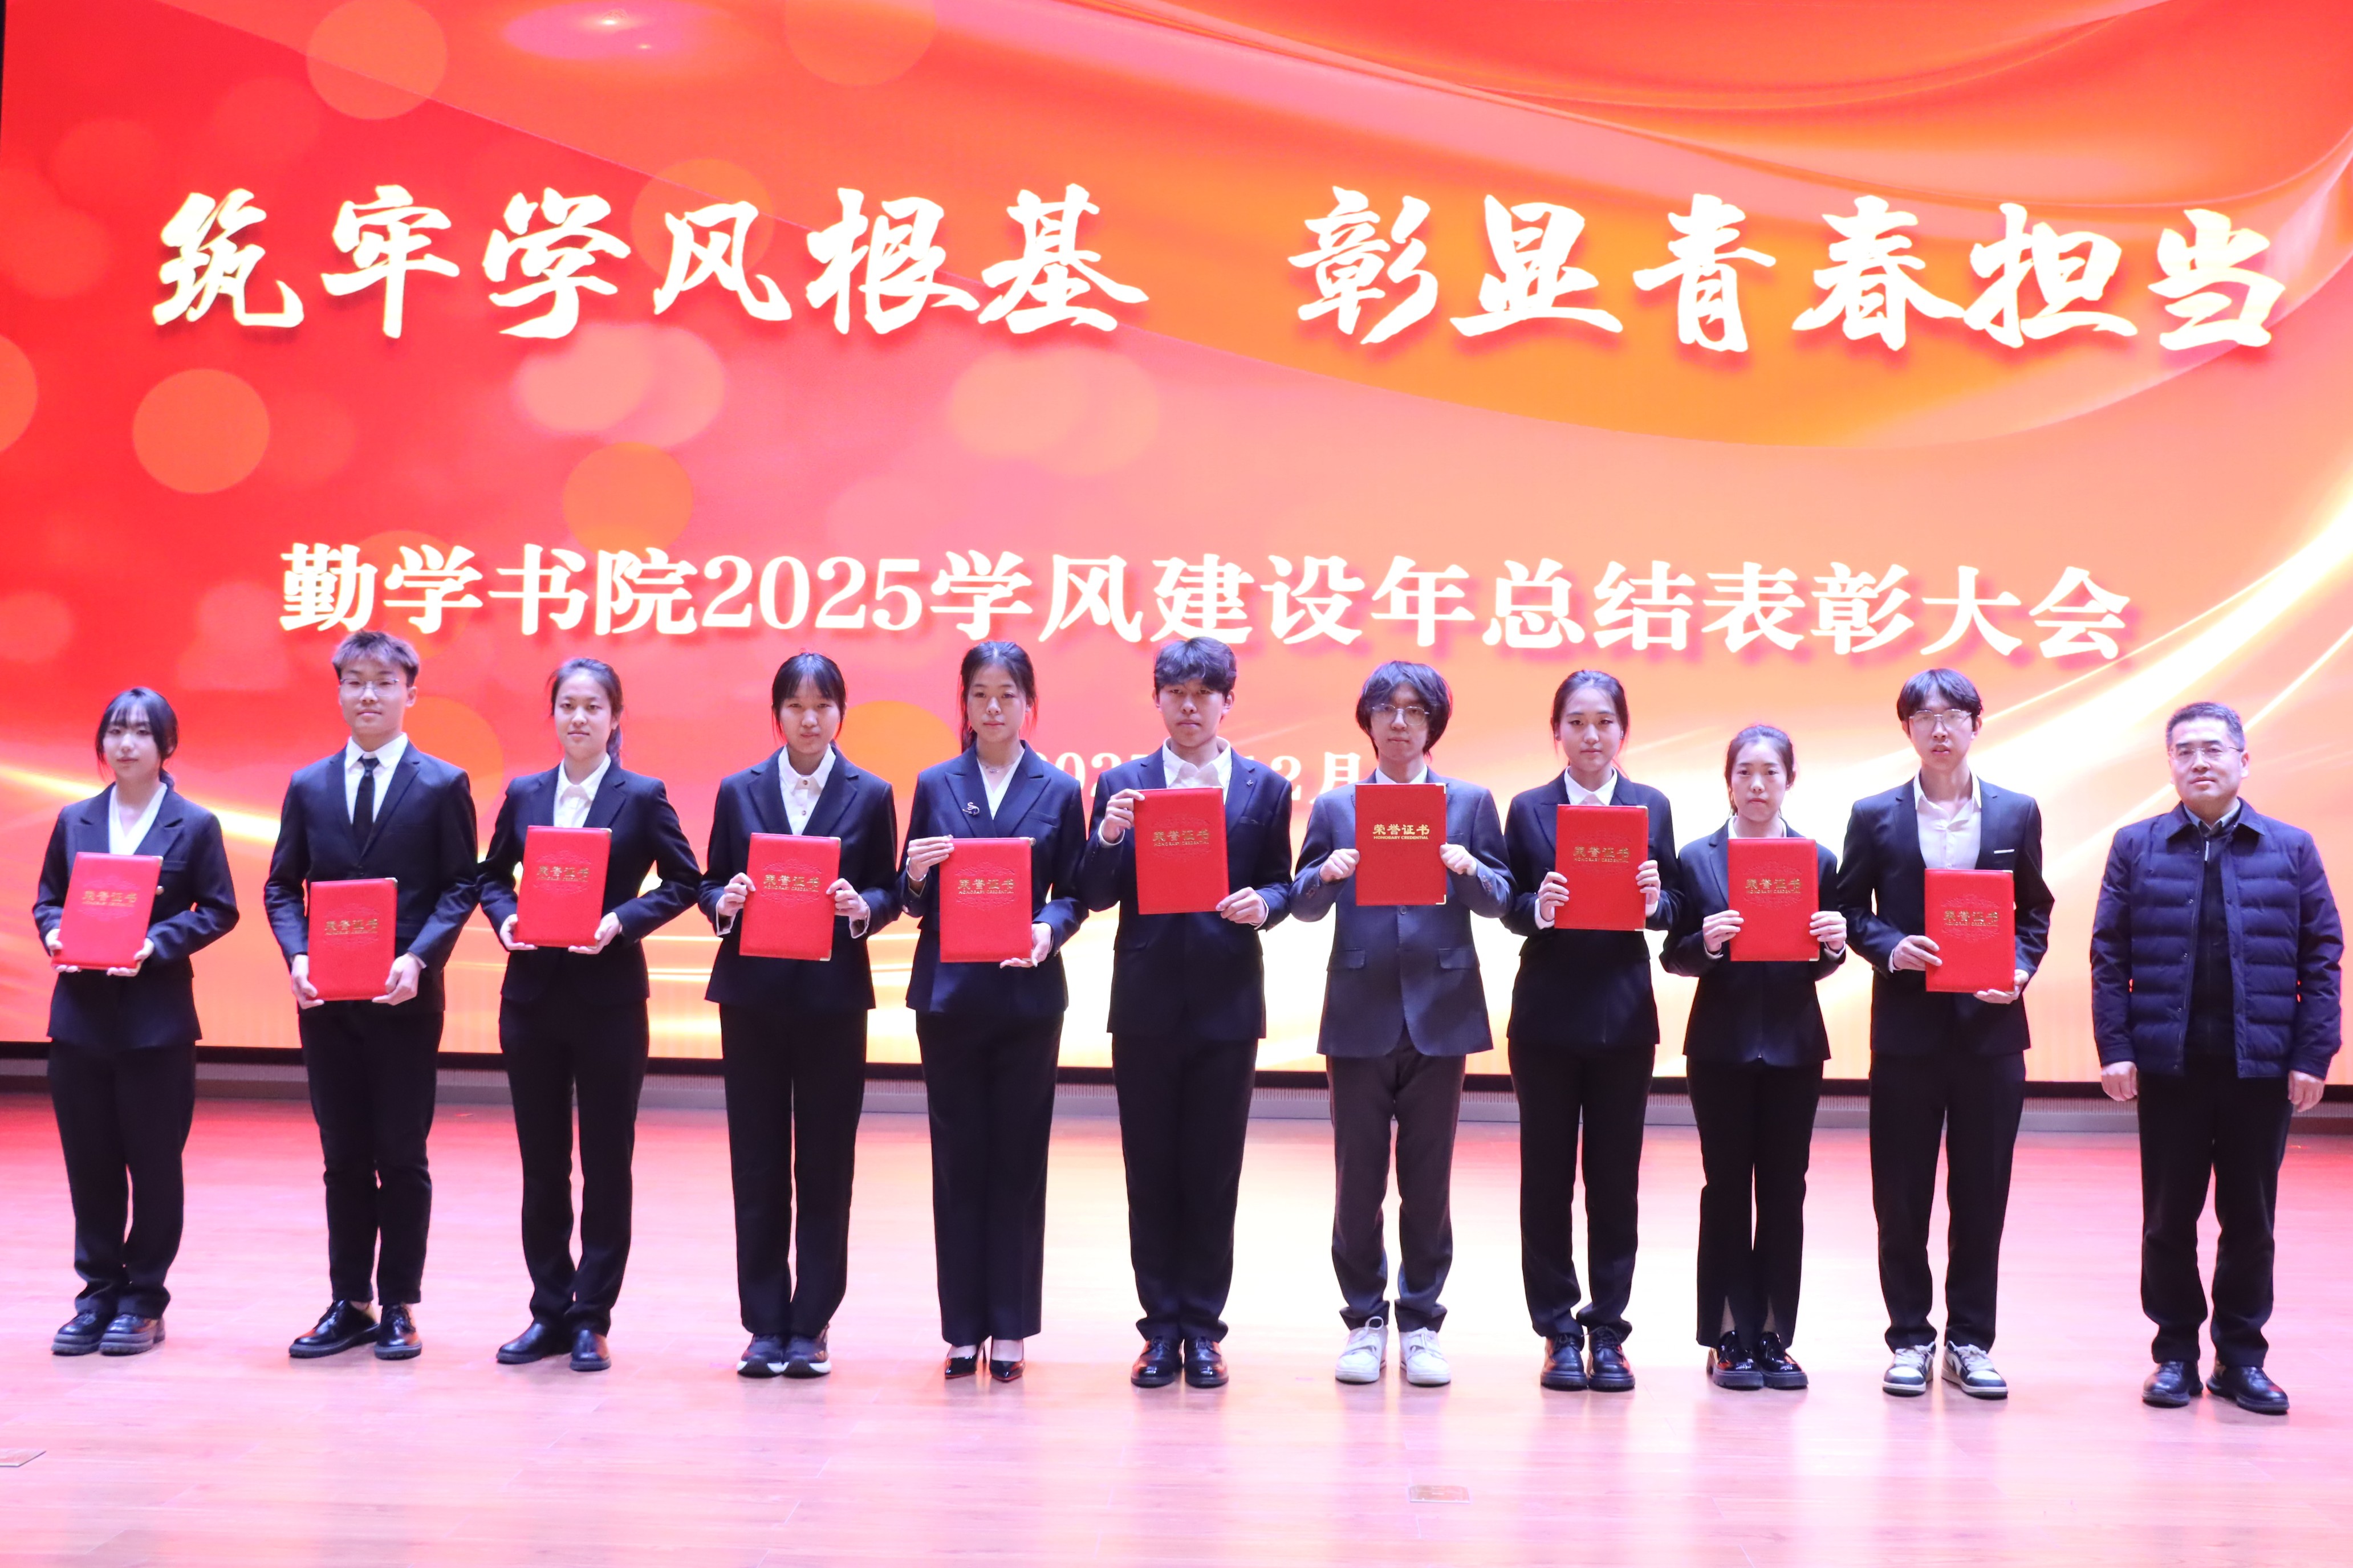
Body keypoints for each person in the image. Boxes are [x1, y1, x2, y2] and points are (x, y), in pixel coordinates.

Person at [2091, 701, 2342, 1415]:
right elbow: (2108, 956)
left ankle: (2240, 1358)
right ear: (2169, 764)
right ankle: (2173, 1354)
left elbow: (2321, 957)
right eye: (2184, 751)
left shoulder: (2289, 848)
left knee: (2249, 1220)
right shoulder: (2135, 846)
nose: (2198, 762)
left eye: (2212, 749)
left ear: (2242, 760)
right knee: (2167, 1219)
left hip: (2258, 1067)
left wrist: (2311, 1054)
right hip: (2168, 1066)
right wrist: (2116, 1048)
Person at [1077, 637, 1295, 1391]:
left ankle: (1202, 1329)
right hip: (1143, 1005)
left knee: (1212, 1171)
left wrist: (1264, 903)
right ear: (1157, 700)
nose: (1190, 705)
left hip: (1226, 1003)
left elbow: (1281, 881)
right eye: (1176, 692)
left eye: (1204, 693)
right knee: (1149, 1172)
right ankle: (1158, 1329)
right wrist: (1109, 834)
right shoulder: (1122, 784)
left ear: (1227, 702)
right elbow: (1094, 892)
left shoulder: (1265, 787)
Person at [1291, 661, 1511, 1389]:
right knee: (1356, 1181)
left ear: (1432, 724)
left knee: (1428, 1180)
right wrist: (1325, 875)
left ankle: (1420, 1322)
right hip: (1358, 1010)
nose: (1398, 722)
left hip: (1440, 1011)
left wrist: (1468, 868)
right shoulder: (1336, 807)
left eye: (1414, 710)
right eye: (1385, 709)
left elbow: (1500, 901)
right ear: (1367, 720)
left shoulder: (1468, 802)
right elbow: (1301, 904)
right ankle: (1363, 1320)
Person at [263, 630, 481, 1362]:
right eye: (355, 681)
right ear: (338, 692)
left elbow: (460, 886)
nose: (368, 695)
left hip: (404, 1000)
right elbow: (281, 886)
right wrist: (297, 954)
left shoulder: (442, 784)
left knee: (402, 1155)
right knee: (343, 1156)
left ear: (411, 693)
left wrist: (419, 959)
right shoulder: (308, 785)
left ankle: (399, 1305)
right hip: (326, 1002)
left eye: (384, 682)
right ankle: (349, 1300)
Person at [477, 658, 699, 1374]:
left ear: (615, 718)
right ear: (553, 716)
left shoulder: (642, 796)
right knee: (542, 1165)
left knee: (606, 1165)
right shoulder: (525, 793)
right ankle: (547, 1309)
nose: (578, 718)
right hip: (532, 1000)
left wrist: (621, 922)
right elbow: (490, 875)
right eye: (567, 706)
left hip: (608, 1002)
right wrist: (505, 918)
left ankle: (590, 1315)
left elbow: (685, 881)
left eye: (593, 707)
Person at [1835, 667, 2052, 1400]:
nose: (1938, 728)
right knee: (1900, 1195)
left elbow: (2033, 911)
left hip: (1990, 1033)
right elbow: (1849, 910)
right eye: (1923, 716)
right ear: (1906, 729)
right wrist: (1890, 947)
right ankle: (1908, 1337)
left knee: (1981, 1194)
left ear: (1975, 725)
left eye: (1952, 715)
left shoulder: (2015, 812)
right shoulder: (1874, 814)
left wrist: (2019, 968)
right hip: (1906, 1033)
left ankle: (1969, 1341)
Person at [702, 653, 900, 1380]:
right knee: (756, 1163)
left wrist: (862, 907)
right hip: (751, 1001)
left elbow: (889, 891)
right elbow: (709, 880)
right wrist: (723, 901)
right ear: (776, 714)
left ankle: (811, 1321)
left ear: (840, 713)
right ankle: (764, 1323)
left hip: (831, 1002)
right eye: (795, 706)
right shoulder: (739, 790)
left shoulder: (871, 793)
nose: (809, 720)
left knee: (825, 1163)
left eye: (822, 706)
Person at [900, 641, 1088, 1382]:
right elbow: (911, 896)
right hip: (948, 995)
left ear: (1028, 704)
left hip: (1026, 996)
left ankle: (1008, 1327)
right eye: (979, 693)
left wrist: (1048, 929)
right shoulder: (934, 782)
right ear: (964, 703)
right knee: (956, 1161)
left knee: (1016, 1160)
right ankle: (960, 1329)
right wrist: (915, 875)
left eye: (1007, 693)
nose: (993, 706)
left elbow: (1075, 893)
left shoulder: (1060, 788)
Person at [34, 689, 238, 1358]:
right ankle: (97, 1295)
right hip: (80, 1022)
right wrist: (55, 931)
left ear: (166, 745)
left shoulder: (195, 823)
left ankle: (144, 1300)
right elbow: (48, 901)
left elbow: (219, 908)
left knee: (154, 1168)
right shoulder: (75, 820)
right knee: (90, 1166)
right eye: (116, 731)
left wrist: (157, 943)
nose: (126, 744)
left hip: (156, 1024)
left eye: (142, 733)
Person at [1499, 670, 1681, 1394]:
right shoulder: (1528, 808)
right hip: (1545, 1015)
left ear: (1622, 731)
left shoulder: (1650, 805)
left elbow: (1675, 905)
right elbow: (1508, 903)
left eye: (1604, 721)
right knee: (1544, 1179)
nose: (1590, 735)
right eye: (1575, 722)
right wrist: (1536, 906)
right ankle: (1556, 1331)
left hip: (1622, 1014)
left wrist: (1655, 900)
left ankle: (1607, 1328)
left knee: (1613, 1180)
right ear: (1556, 732)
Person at [1661, 725, 1846, 1392]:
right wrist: (1706, 943)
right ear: (1728, 781)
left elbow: (1818, 960)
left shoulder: (1817, 860)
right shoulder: (1696, 858)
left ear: (1789, 780)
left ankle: (1770, 1334)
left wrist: (1833, 946)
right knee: (1725, 1189)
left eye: (1769, 772)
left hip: (1794, 1046)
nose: (1756, 784)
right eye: (1743, 771)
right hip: (1720, 1045)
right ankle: (1725, 1335)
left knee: (1784, 1190)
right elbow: (1673, 955)